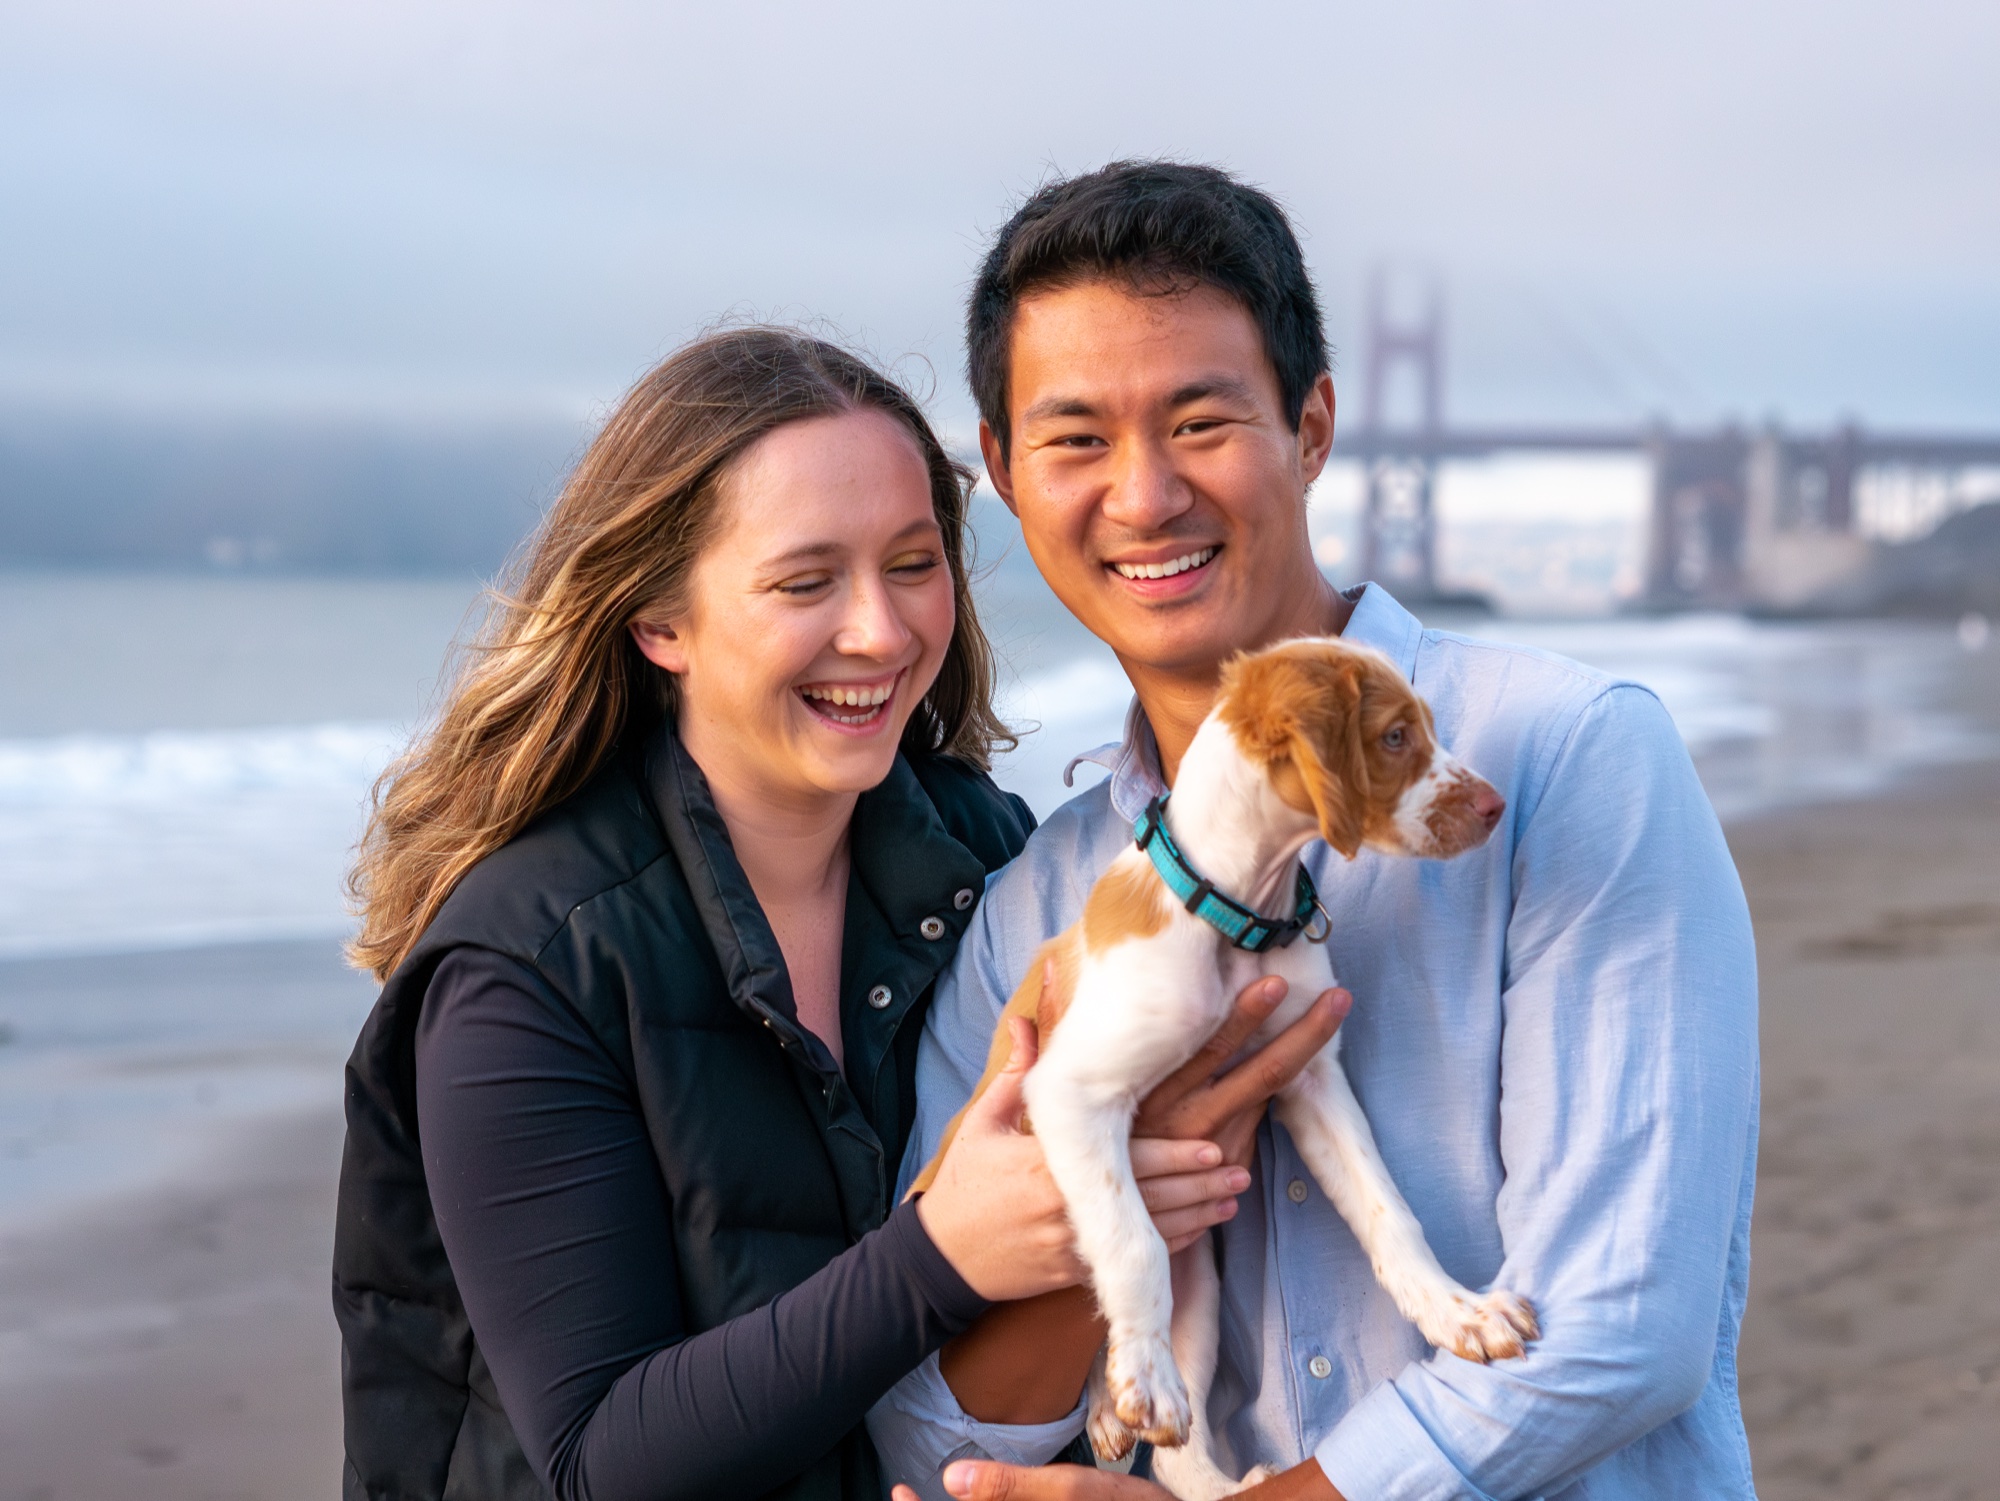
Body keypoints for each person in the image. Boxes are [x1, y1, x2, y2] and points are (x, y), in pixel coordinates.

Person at [870, 163, 1760, 1501]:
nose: (1144, 495)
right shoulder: (1037, 911)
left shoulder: (1567, 761)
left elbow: (1621, 1325)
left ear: (1312, 425)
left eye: (1200, 421)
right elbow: (931, 1439)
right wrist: (1102, 1179)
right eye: (1076, 440)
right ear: (1002, 471)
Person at [331, 328, 1341, 1501]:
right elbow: (594, 1465)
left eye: (912, 564)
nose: (880, 630)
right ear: (661, 622)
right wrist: (937, 1257)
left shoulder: (987, 859)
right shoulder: (532, 961)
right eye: (805, 582)